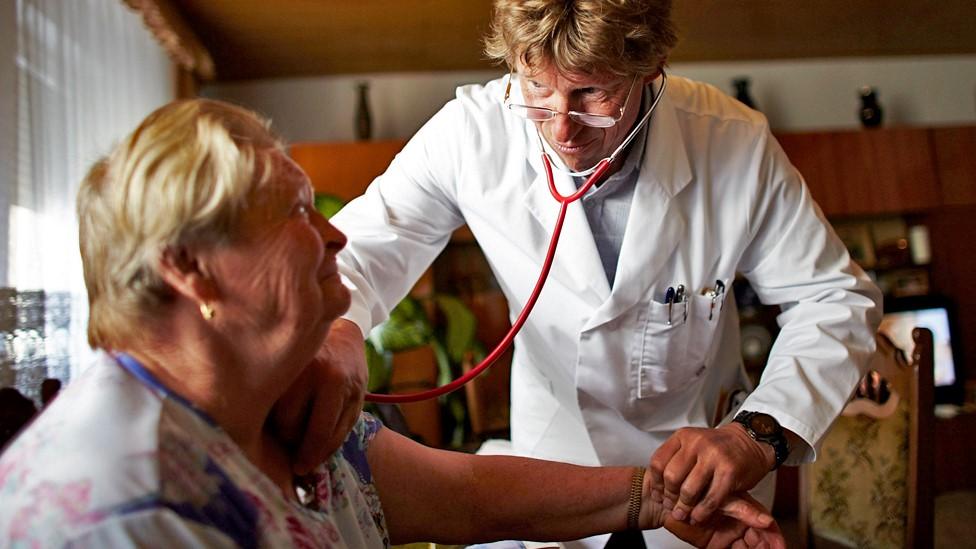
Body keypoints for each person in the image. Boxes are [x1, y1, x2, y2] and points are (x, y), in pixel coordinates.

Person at [0, 99, 785, 548]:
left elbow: (470, 494)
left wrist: (659, 495)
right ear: (192, 268)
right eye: (299, 213)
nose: (340, 236)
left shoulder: (276, 415)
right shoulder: (123, 511)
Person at [287, 1, 882, 547]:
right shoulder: (470, 134)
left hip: (703, 478)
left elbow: (833, 299)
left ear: (652, 69)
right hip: (550, 474)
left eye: (592, 93)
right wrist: (337, 332)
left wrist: (756, 435)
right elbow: (360, 251)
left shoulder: (732, 142)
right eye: (537, 90)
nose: (561, 128)